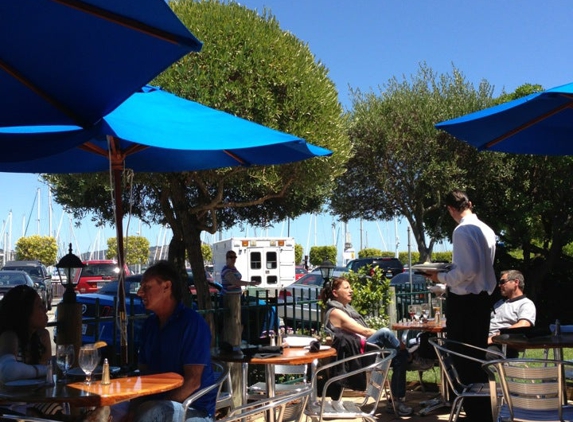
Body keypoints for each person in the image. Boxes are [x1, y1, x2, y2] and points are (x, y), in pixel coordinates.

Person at [425, 189, 497, 422]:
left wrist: (440, 277)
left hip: (466, 303)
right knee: (476, 359)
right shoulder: (486, 229)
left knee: (463, 360)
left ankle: (477, 414)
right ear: (470, 203)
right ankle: (483, 412)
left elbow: (467, 271)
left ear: (450, 209)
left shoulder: (462, 230)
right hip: (482, 300)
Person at [129, 261, 216, 422]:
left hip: (193, 409)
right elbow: (144, 375)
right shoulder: (150, 325)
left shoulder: (192, 323)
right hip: (155, 403)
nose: (140, 293)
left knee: (149, 413)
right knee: (107, 412)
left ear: (166, 287)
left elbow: (192, 382)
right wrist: (132, 408)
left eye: (146, 287)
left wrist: (148, 406)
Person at [320, 277, 413, 416]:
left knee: (399, 358)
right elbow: (364, 331)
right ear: (335, 292)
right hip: (358, 355)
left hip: (361, 350)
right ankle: (410, 356)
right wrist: (382, 335)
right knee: (386, 333)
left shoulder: (345, 309)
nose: (351, 291)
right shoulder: (336, 312)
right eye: (346, 288)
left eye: (350, 287)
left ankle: (399, 395)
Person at [0, 284, 61, 417]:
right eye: (39, 306)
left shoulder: (40, 337)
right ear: (25, 312)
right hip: (7, 408)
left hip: (28, 402)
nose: (45, 310)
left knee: (57, 406)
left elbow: (48, 381)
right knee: (53, 409)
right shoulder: (9, 336)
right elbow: (8, 371)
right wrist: (44, 370)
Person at [487, 269, 536, 359]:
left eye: (502, 282)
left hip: (505, 346)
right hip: (487, 341)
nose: (499, 285)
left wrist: (495, 337)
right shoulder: (499, 303)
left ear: (516, 282)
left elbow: (524, 324)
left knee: (480, 355)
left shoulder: (526, 303)